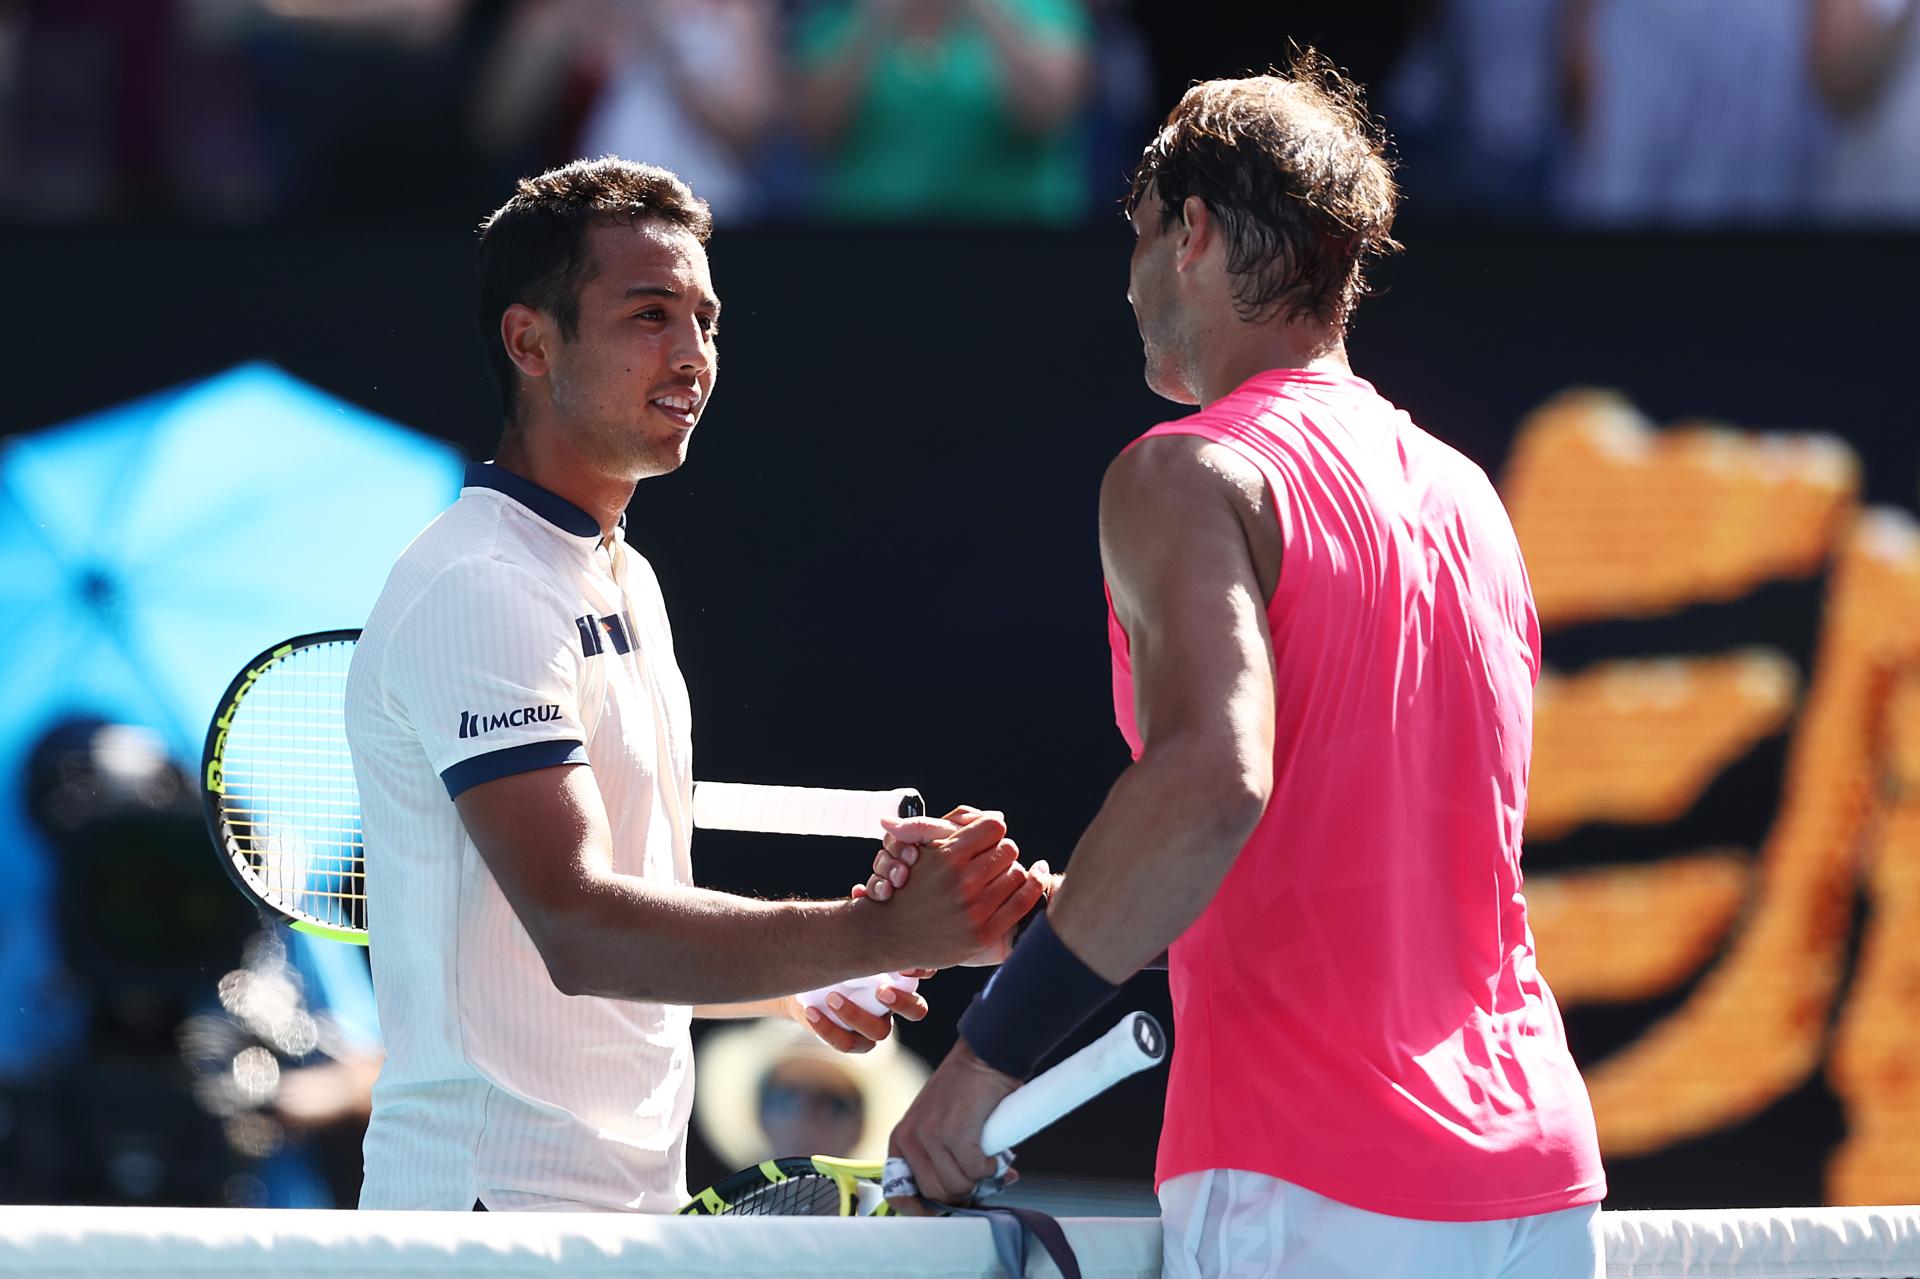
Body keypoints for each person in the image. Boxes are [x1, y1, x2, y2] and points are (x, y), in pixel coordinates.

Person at [866, 59, 1608, 1277]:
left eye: (1141, 234)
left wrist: (980, 1066)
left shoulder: (1184, 470)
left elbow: (1213, 785)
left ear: (1194, 232)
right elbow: (1355, 867)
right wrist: (1067, 918)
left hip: (1320, 1179)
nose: (1129, 279)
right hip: (1535, 1183)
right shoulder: (1470, 494)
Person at [342, 156, 1041, 1212]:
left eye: (706, 319)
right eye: (649, 315)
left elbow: (621, 935)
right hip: (485, 1222)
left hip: (628, 1211)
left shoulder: (627, 576)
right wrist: (877, 932)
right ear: (530, 341)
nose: (693, 355)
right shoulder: (478, 583)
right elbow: (579, 929)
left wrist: (801, 974)